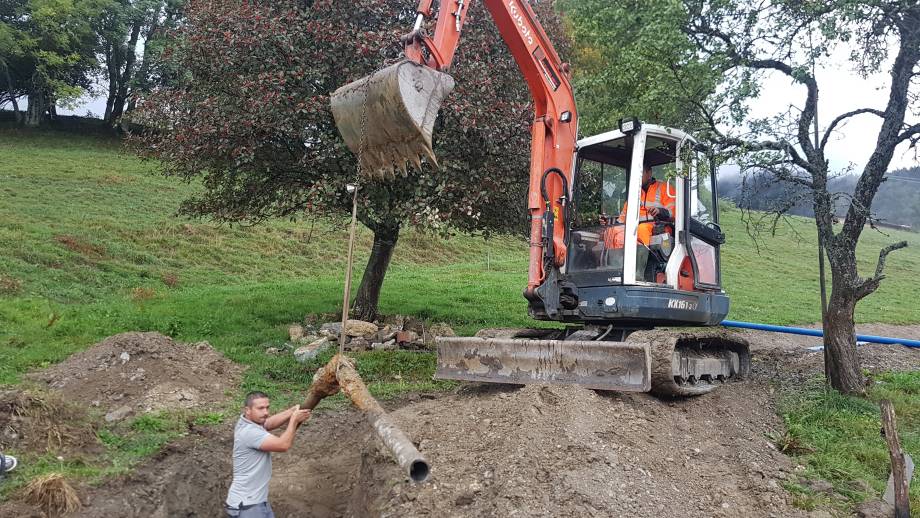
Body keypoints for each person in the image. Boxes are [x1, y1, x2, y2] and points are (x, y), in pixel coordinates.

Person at [225, 391, 312, 518]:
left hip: (255, 503)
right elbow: (283, 445)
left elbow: (268, 423)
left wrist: (291, 411)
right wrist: (293, 421)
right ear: (247, 410)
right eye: (260, 408)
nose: (266, 412)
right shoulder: (249, 432)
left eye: (267, 407)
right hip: (247, 507)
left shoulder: (248, 422)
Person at [603, 162, 676, 249]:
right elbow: (622, 220)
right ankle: (615, 260)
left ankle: (642, 260)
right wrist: (608, 223)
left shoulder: (664, 188)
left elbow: (673, 214)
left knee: (642, 229)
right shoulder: (634, 194)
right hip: (636, 228)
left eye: (640, 173)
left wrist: (660, 211)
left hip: (661, 228)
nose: (637, 177)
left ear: (649, 173)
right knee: (611, 231)